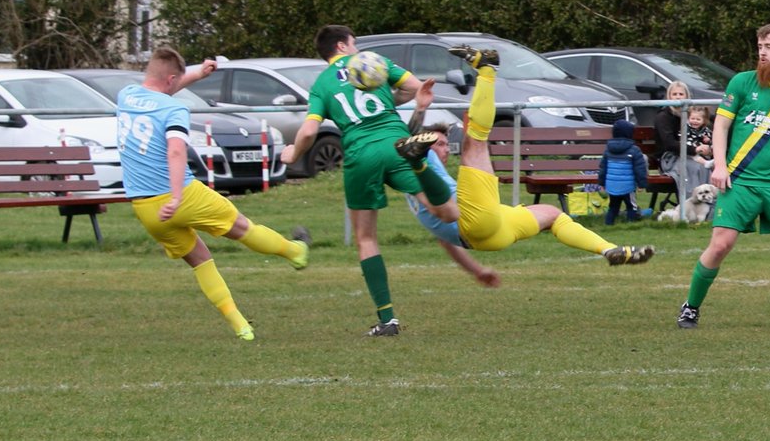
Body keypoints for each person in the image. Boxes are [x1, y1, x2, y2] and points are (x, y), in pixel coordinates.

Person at [395, 45, 654, 268]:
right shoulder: (419, 160)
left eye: (442, 143)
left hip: (495, 228)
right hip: (472, 222)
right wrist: (418, 113)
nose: (442, 148)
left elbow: (410, 143)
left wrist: (421, 107)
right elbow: (409, 141)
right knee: (475, 142)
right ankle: (486, 70)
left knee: (552, 214)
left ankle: (609, 250)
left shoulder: (417, 167)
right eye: (436, 144)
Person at [117, 47, 310, 342]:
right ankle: (295, 252)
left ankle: (240, 325)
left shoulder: (127, 95)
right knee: (243, 228)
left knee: (200, 260)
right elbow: (176, 150)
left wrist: (197, 73)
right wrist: (176, 198)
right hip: (181, 195)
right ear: (172, 80)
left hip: (146, 208)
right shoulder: (174, 109)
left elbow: (164, 87)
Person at [282, 25, 457, 337]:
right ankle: (418, 164)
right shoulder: (375, 63)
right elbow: (415, 87)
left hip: (360, 155)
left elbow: (308, 132)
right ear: (341, 45)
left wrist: (292, 154)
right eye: (354, 43)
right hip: (395, 142)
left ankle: (388, 320)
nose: (357, 49)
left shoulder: (321, 84)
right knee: (447, 212)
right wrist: (395, 101)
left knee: (366, 239)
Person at [676, 22, 770, 329]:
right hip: (740, 180)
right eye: (759, 47)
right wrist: (720, 166)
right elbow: (721, 126)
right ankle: (690, 308)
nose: (762, 52)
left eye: (768, 46)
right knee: (721, 245)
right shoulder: (742, 83)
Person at [400, 123, 501, 288]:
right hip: (475, 220)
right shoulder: (426, 161)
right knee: (476, 144)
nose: (446, 150)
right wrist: (419, 112)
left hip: (471, 234)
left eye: (447, 145)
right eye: (440, 144)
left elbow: (445, 240)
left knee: (544, 214)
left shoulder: (424, 180)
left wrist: (478, 271)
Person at [654, 81, 710, 195]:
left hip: (693, 154)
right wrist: (695, 149)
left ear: (687, 96)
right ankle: (691, 200)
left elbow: (709, 127)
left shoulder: (693, 115)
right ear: (669, 96)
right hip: (670, 157)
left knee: (708, 166)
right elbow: (669, 143)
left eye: (681, 94)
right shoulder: (663, 117)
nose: (678, 97)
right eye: (674, 94)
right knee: (693, 167)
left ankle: (709, 202)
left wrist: (707, 145)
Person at [598, 119, 648, 225]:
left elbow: (603, 168)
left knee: (613, 207)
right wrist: (641, 184)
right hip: (628, 186)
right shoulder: (634, 150)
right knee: (631, 206)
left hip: (612, 185)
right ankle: (631, 224)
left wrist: (602, 183)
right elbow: (640, 169)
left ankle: (608, 224)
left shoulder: (608, 149)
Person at [684, 106, 715, 170]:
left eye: (698, 119)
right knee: (694, 155)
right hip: (691, 148)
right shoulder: (686, 128)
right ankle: (705, 162)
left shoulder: (705, 129)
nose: (695, 121)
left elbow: (710, 137)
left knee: (713, 147)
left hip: (703, 148)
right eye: (692, 119)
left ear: (703, 121)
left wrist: (708, 140)